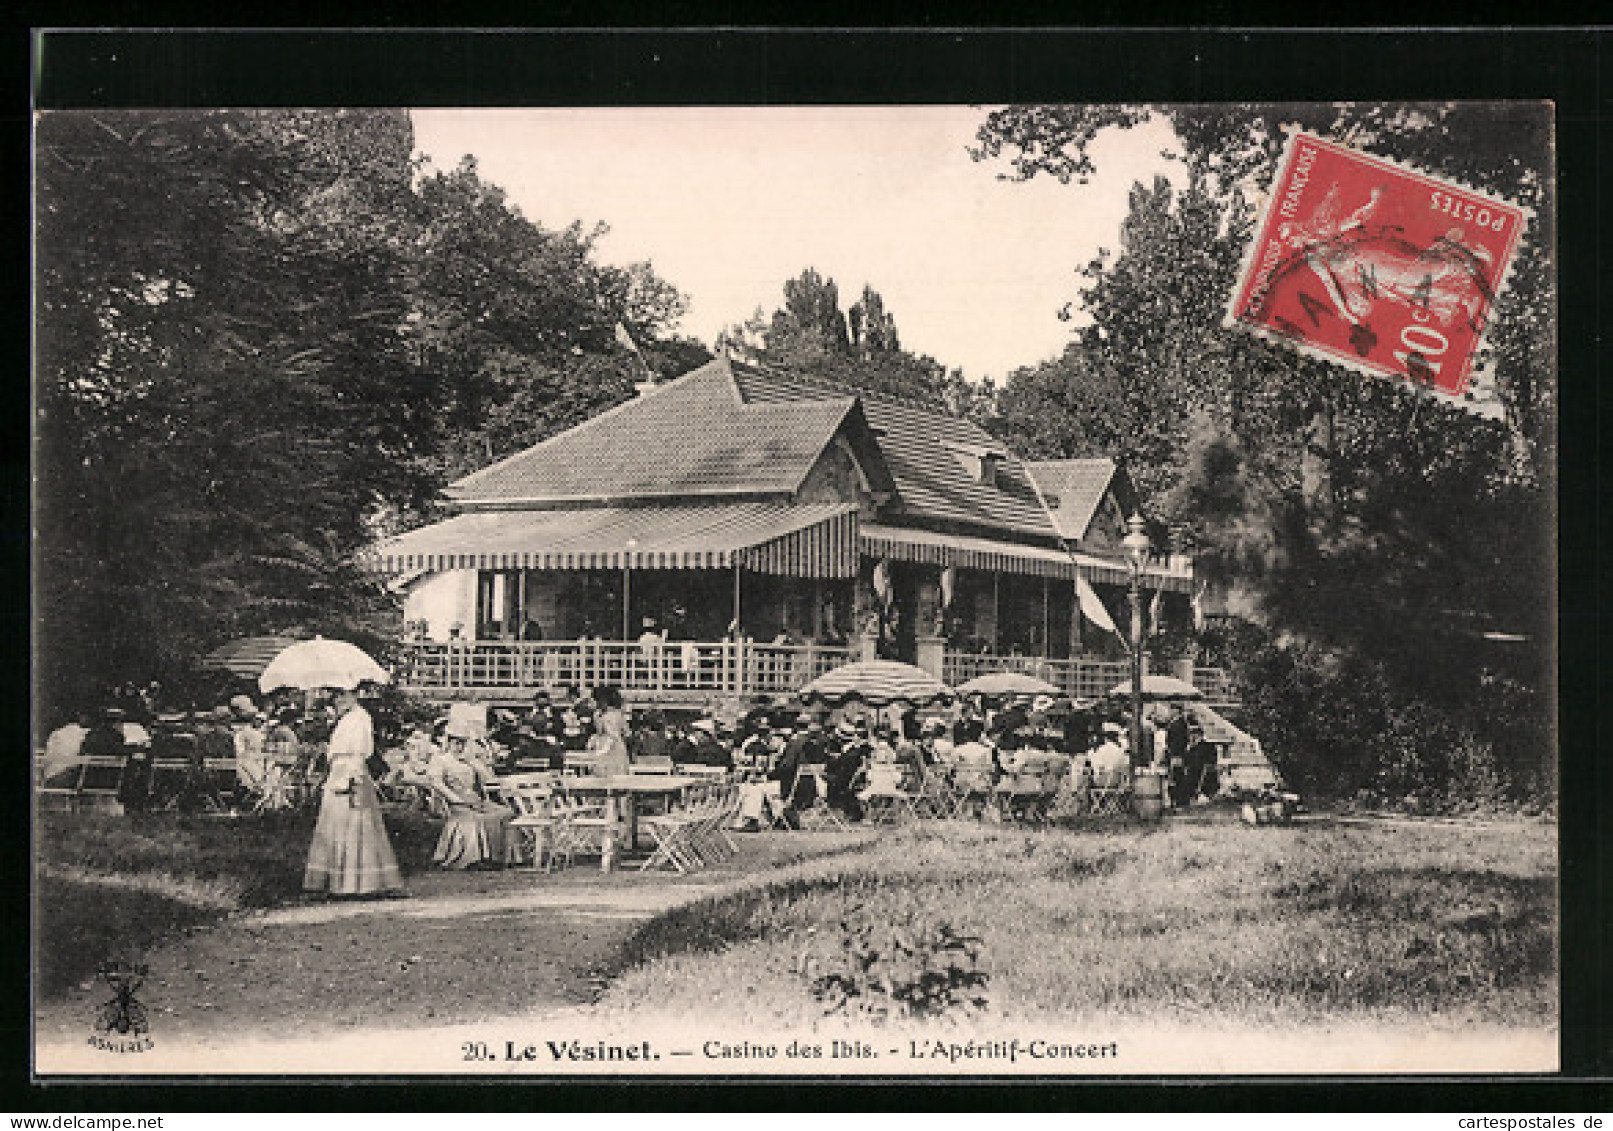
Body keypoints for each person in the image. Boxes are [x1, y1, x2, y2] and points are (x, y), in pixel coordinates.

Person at [303, 687, 404, 897]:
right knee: (334, 825)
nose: (339, 699)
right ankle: (333, 880)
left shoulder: (360, 718)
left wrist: (353, 777)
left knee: (355, 825)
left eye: (343, 694)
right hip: (338, 773)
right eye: (336, 695)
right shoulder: (345, 719)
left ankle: (357, 882)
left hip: (351, 774)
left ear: (354, 694)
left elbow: (360, 752)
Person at [429, 718, 515, 869]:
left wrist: (474, 763)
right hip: (457, 804)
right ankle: (478, 858)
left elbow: (489, 779)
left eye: (463, 743)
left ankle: (503, 857)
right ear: (448, 742)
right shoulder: (440, 760)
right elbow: (437, 783)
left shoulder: (467, 760)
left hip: (476, 801)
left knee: (506, 812)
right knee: (481, 818)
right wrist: (455, 799)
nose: (459, 747)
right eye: (456, 743)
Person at [589, 685, 632, 777]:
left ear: (603, 701)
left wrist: (601, 752)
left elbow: (612, 737)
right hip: (606, 746)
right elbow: (627, 733)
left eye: (594, 700)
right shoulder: (601, 714)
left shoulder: (611, 716)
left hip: (611, 750)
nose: (592, 703)